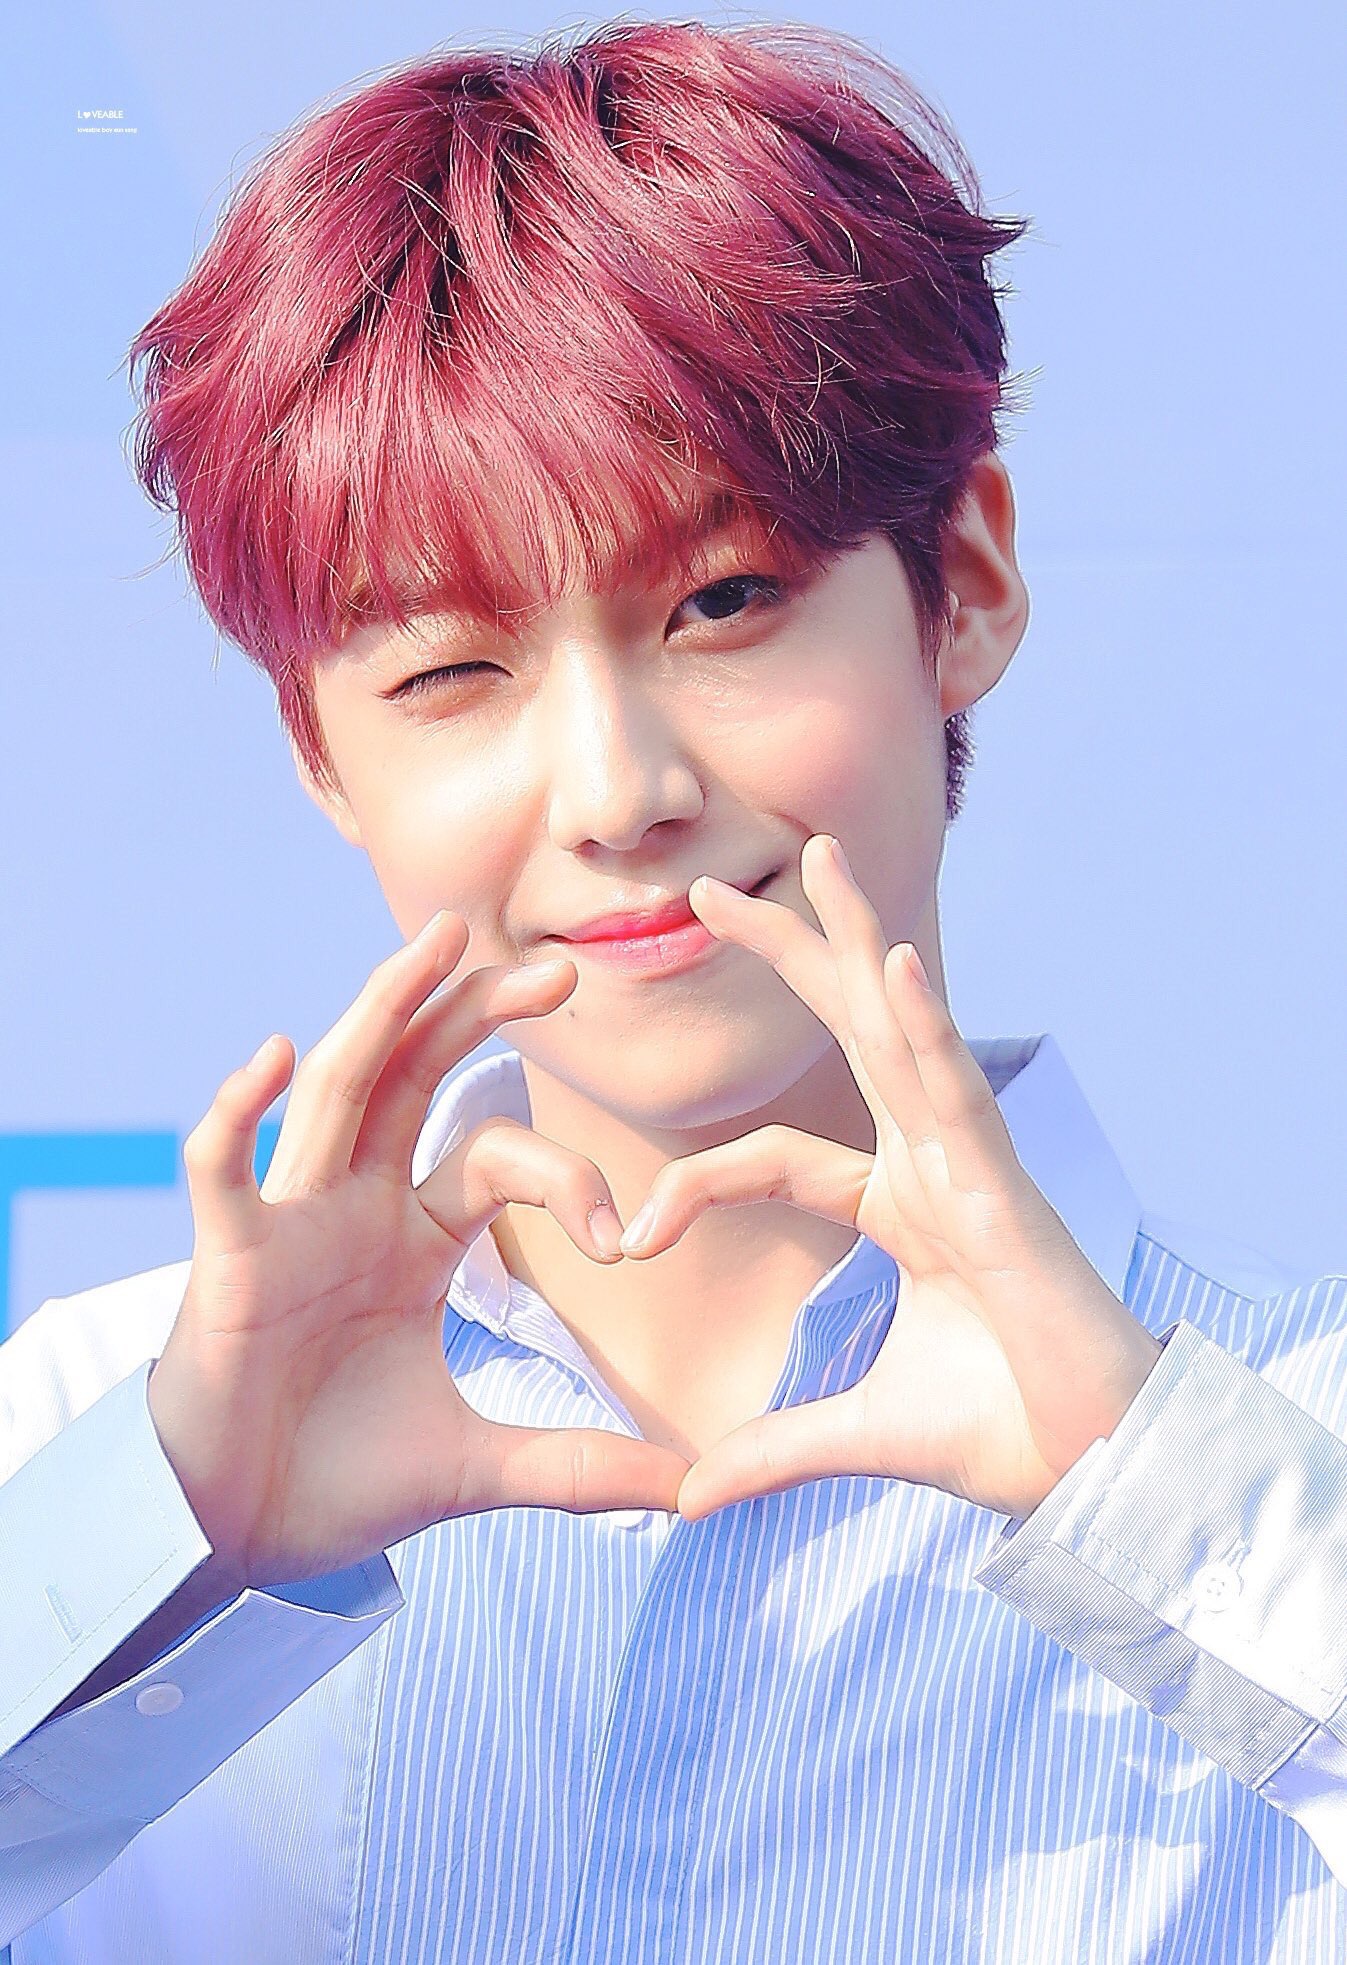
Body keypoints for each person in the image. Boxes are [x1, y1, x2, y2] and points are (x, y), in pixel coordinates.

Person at [3, 16, 1345, 1961]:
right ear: (319, 752)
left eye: (720, 603)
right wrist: (154, 1555)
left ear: (963, 582)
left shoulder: (1292, 1439)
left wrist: (1168, 1499)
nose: (618, 789)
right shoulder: (98, 1429)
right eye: (449, 670)